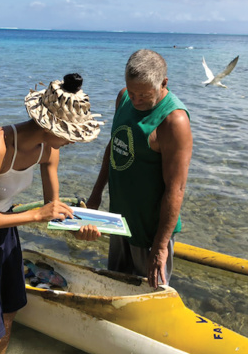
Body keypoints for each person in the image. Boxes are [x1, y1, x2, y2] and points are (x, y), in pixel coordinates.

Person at [0, 73, 102, 354]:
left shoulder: (49, 149)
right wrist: (34, 216)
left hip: (6, 229)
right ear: (48, 126)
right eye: (70, 132)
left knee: (8, 317)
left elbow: (51, 209)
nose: (73, 140)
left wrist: (79, 231)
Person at [79, 49, 192, 289]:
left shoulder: (173, 121)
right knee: (115, 284)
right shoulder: (124, 98)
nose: (137, 100)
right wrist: (96, 195)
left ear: (164, 83)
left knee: (150, 294)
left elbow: (176, 188)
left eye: (144, 95)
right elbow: (114, 145)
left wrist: (160, 247)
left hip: (150, 231)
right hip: (118, 220)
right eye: (133, 92)